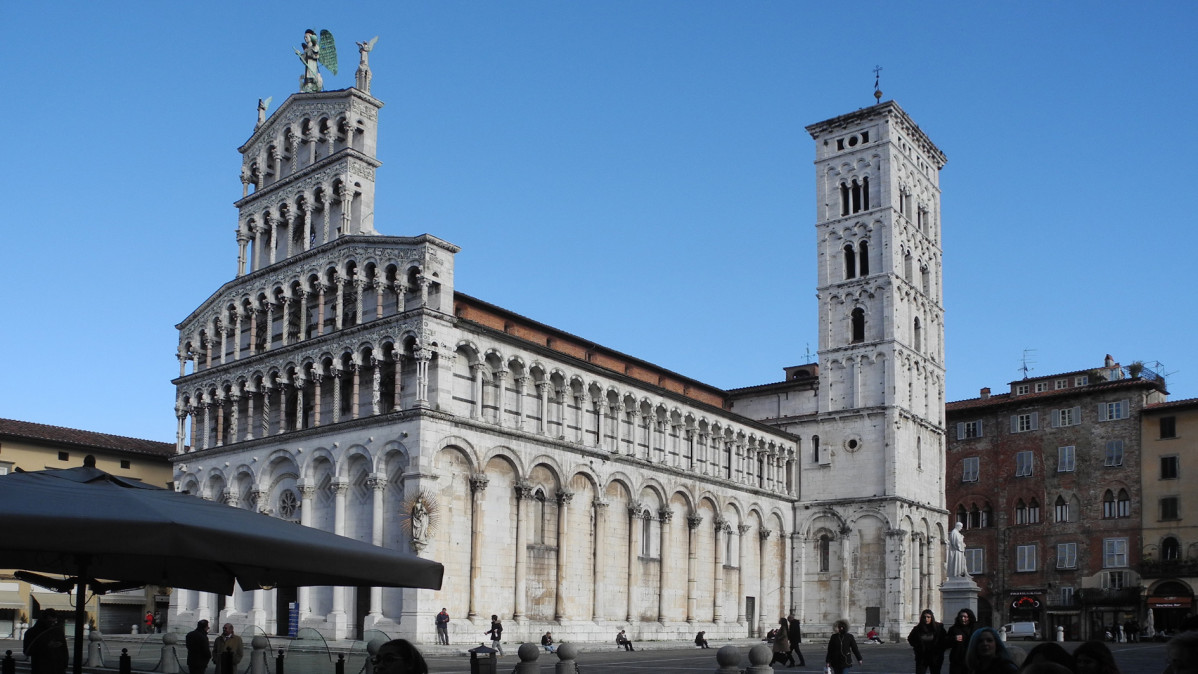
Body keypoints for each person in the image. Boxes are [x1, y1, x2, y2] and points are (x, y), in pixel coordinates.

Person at [24, 609, 68, 674]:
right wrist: (46, 646)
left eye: (54, 621)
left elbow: (64, 650)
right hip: (41, 668)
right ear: (44, 620)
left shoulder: (58, 631)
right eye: (50, 621)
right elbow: (27, 651)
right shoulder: (32, 632)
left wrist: (64, 665)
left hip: (57, 668)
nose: (53, 624)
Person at [907, 609, 946, 674]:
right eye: (924, 617)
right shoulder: (917, 629)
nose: (926, 619)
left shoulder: (938, 628)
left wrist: (940, 650)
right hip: (922, 657)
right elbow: (910, 638)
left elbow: (944, 639)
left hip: (935, 657)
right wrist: (917, 647)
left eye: (928, 617)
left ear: (931, 618)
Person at [944, 608, 977, 674]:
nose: (963, 619)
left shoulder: (975, 629)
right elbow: (946, 643)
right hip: (957, 660)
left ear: (969, 617)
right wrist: (954, 639)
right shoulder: (953, 629)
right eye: (961, 616)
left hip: (971, 660)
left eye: (965, 617)